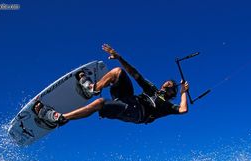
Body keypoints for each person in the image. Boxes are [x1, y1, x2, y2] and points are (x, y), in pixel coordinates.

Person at [34, 44, 189, 127]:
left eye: (168, 87)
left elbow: (183, 109)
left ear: (171, 93)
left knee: (100, 104)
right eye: (164, 84)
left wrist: (183, 92)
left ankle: (60, 118)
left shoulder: (168, 106)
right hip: (129, 99)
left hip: (137, 113)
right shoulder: (152, 89)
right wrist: (119, 57)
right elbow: (135, 74)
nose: (163, 87)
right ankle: (93, 89)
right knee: (118, 72)